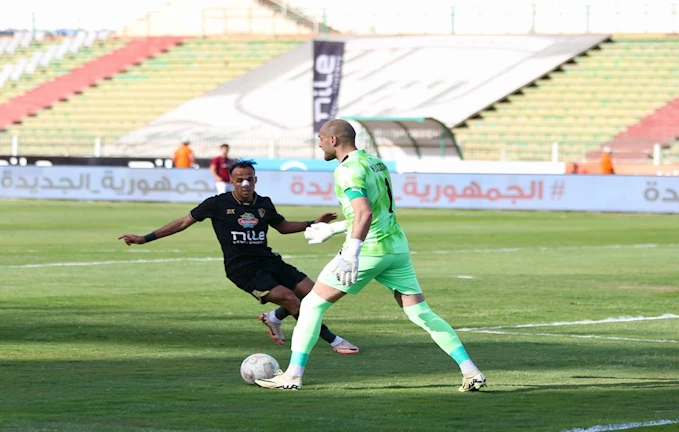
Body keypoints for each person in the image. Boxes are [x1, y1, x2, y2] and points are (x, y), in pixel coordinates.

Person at [255, 119, 486, 392]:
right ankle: (471, 371)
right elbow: (375, 211)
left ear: (333, 140)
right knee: (421, 312)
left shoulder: (346, 170)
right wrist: (333, 229)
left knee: (311, 305)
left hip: (369, 250)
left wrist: (351, 253)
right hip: (395, 249)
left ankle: (292, 376)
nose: (318, 144)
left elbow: (364, 213)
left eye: (320, 138)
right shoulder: (375, 163)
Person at [118, 159, 359, 355]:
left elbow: (283, 227)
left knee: (313, 294)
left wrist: (313, 222)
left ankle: (273, 318)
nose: (245, 183)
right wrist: (145, 238)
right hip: (242, 269)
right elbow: (183, 222)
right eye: (239, 179)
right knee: (289, 298)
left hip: (269, 260)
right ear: (231, 181)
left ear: (255, 180)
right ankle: (334, 341)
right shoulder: (217, 204)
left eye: (249, 179)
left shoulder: (263, 204)